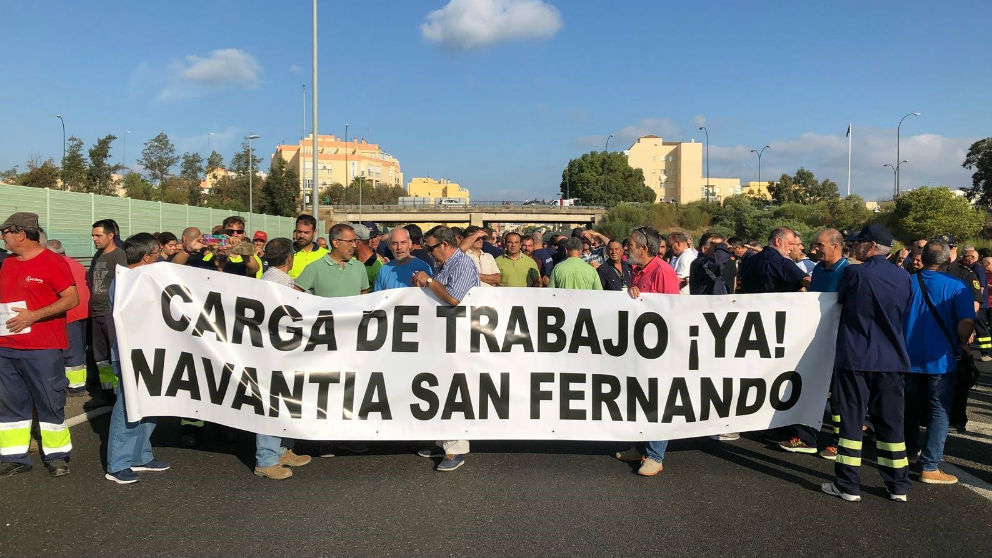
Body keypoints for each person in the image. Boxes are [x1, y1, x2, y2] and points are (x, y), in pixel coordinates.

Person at [822, 223, 911, 503]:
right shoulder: (904, 277)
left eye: (859, 242)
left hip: (856, 358)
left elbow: (840, 302)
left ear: (872, 246)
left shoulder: (854, 273)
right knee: (891, 425)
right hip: (892, 360)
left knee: (851, 422)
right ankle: (898, 486)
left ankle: (848, 485)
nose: (854, 246)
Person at [0, 212, 79, 479]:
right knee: (10, 404)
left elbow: (71, 299)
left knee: (49, 400)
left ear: (20, 234)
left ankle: (57, 457)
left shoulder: (52, 262)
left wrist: (33, 316)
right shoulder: (8, 263)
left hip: (42, 348)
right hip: (6, 348)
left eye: (5, 233)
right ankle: (14, 457)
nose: (3, 238)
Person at [903, 238, 974, 485]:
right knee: (938, 410)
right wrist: (963, 344)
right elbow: (965, 323)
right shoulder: (957, 286)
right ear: (947, 260)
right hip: (941, 360)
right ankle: (930, 465)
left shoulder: (908, 282)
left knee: (909, 407)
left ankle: (908, 450)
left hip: (908, 357)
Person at [105, 233, 173, 484]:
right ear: (147, 257)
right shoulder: (126, 282)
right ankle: (118, 463)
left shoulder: (146, 277)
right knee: (128, 408)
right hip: (130, 356)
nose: (161, 257)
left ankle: (140, 456)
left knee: (150, 406)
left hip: (153, 353)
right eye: (158, 253)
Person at [411, 226, 480, 471]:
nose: (428, 252)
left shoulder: (461, 264)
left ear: (445, 245)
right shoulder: (446, 264)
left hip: (460, 336)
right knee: (442, 387)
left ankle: (455, 448)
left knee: (454, 388)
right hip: (445, 336)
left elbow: (454, 299)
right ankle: (443, 441)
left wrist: (428, 281)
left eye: (431, 247)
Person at [614, 226, 679, 475]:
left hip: (658, 350)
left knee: (656, 400)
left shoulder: (664, 271)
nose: (626, 247)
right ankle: (639, 446)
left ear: (644, 248)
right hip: (639, 348)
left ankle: (655, 454)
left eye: (630, 244)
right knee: (638, 398)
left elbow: (673, 309)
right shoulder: (638, 270)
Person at [253, 237, 312, 480]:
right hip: (274, 354)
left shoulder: (275, 280)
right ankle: (265, 460)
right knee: (271, 403)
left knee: (285, 401)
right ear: (290, 258)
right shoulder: (275, 284)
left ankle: (280, 450)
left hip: (284, 352)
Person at [788, 228, 849, 459]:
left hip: (838, 342)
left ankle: (838, 441)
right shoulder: (819, 270)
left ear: (835, 245)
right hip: (814, 341)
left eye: (819, 245)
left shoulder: (848, 272)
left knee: (838, 396)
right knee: (810, 388)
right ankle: (806, 437)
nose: (814, 249)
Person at [47, 240, 91, 395]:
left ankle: (76, 385)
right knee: (81, 347)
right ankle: (83, 380)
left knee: (71, 350)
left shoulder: (55, 264)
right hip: (85, 310)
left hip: (69, 311)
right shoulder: (76, 264)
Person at [88, 219, 127, 393]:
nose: (95, 239)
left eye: (98, 235)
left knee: (115, 355)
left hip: (111, 313)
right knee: (100, 356)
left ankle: (119, 391)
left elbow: (125, 283)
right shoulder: (98, 256)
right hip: (97, 313)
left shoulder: (119, 255)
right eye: (93, 236)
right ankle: (107, 388)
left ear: (111, 236)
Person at [295, 223, 369, 298]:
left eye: (355, 241)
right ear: (336, 243)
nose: (354, 245)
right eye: (350, 241)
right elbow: (295, 295)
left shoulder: (359, 267)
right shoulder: (314, 268)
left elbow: (364, 296)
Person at [738, 227, 809, 294]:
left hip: (750, 305)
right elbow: (807, 280)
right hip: (776, 305)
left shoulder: (748, 261)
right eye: (790, 244)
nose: (791, 248)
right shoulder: (781, 263)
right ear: (778, 241)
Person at [959, 246, 991, 362]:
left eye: (965, 256)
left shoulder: (977, 268)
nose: (963, 258)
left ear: (972, 257)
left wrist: (977, 301)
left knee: (981, 328)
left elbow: (980, 287)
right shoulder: (970, 268)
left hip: (980, 304)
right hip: (976, 303)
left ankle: (987, 352)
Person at [289, 214, 328, 279]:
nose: (302, 236)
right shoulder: (286, 252)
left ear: (314, 232)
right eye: (299, 232)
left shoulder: (326, 255)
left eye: (306, 233)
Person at [352, 223, 384, 287]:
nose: (373, 241)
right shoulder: (349, 259)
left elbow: (379, 293)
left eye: (349, 241)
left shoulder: (377, 266)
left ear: (357, 242)